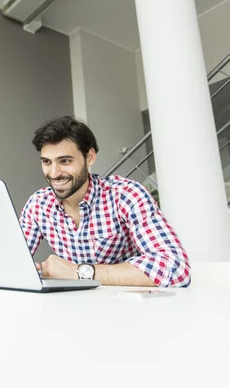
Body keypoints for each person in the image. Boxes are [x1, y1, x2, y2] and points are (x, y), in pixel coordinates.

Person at [19, 116, 191, 287]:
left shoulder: (126, 195)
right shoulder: (38, 204)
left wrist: (79, 272)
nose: (54, 173)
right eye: (47, 162)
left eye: (65, 161)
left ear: (90, 157)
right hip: (71, 306)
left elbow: (176, 268)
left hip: (128, 308)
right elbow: (8, 262)